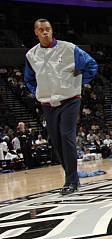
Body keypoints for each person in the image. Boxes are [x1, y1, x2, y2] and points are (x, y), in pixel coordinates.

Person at [23, 19, 98, 194]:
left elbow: (91, 65)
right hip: (48, 103)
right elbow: (28, 79)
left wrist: (78, 83)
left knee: (66, 136)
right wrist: (38, 92)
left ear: (52, 30)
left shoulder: (69, 48)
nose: (45, 33)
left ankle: (71, 180)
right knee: (56, 141)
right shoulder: (31, 55)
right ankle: (72, 176)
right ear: (36, 32)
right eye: (41, 30)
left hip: (70, 99)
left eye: (48, 29)